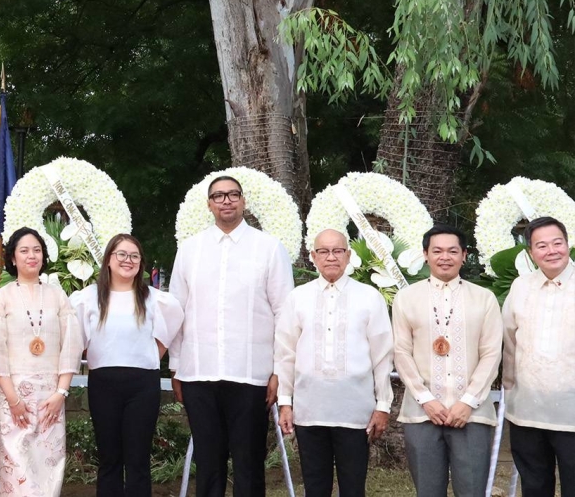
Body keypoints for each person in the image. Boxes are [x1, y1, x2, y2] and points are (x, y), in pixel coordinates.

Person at [168, 175, 293, 497]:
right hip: (199, 371)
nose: (226, 201)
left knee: (249, 460)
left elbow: (285, 314)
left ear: (243, 201)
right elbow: (176, 313)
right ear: (209, 204)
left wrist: (280, 371)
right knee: (208, 462)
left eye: (233, 194)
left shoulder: (268, 249)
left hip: (251, 374)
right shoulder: (190, 250)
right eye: (219, 196)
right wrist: (177, 368)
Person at [274, 228, 392, 497]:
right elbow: (285, 353)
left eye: (337, 251)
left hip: (355, 412)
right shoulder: (297, 297)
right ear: (313, 257)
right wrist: (285, 403)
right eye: (324, 251)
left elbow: (383, 356)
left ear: (348, 256)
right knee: (315, 487)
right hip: (309, 410)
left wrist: (383, 405)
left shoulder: (369, 297)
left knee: (353, 487)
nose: (331, 257)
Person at [0, 227, 84, 497]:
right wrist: (13, 399)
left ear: (44, 256)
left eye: (37, 250)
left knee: (48, 467)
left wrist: (61, 393)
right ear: (12, 257)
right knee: (16, 468)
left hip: (51, 396)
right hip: (13, 395)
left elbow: (71, 347)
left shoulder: (57, 295)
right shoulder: (2, 296)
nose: (31, 256)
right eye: (24, 250)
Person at [391, 225, 502, 497]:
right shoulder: (406, 298)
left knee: (473, 490)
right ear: (425, 254)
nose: (445, 257)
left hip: (472, 414)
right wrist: (425, 399)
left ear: (464, 255)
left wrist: (468, 402)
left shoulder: (484, 298)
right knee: (428, 491)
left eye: (453, 251)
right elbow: (401, 352)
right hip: (422, 413)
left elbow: (491, 353)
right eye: (437, 250)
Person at [71, 234, 183, 497]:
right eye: (121, 254)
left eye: (134, 255)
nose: (127, 260)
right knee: (109, 459)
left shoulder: (154, 299)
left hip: (142, 386)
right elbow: (77, 339)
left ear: (141, 263)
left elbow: (169, 329)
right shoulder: (88, 298)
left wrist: (151, 353)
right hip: (103, 384)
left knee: (138, 460)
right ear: (109, 259)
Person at [503, 216, 575, 497]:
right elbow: (509, 338)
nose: (551, 251)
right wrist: (510, 385)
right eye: (542, 246)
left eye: (557, 243)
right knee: (534, 485)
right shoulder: (521, 287)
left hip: (572, 412)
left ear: (567, 244)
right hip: (527, 410)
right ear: (531, 253)